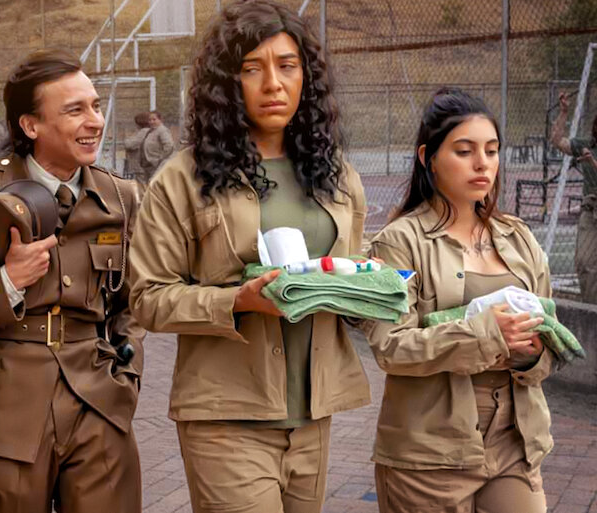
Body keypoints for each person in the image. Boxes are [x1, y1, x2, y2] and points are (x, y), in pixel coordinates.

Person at [129, 2, 370, 512]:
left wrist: (369, 291)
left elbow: (349, 268)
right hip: (225, 417)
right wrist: (236, 302)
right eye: (252, 68)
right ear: (227, 83)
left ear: (306, 77)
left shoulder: (337, 175)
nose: (273, 83)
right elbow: (148, 297)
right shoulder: (183, 178)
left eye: (287, 66)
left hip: (312, 416)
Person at [0, 48, 145, 513]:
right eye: (74, 110)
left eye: (95, 106)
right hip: (7, 405)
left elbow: (133, 304)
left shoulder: (120, 196)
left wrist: (128, 375)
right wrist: (7, 281)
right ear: (30, 125)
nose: (95, 121)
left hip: (99, 399)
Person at [363, 88, 553, 513]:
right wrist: (488, 335)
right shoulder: (398, 242)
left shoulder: (518, 237)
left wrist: (532, 354)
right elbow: (390, 346)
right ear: (428, 157)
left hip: (516, 438)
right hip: (429, 449)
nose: (482, 163)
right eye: (464, 151)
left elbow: (550, 338)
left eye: (492, 150)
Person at [550, 91, 597, 303]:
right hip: (591, 209)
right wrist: (563, 112)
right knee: (584, 262)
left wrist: (592, 163)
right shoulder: (587, 145)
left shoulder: (590, 155)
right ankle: (591, 310)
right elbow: (557, 140)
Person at [138, 110, 173, 179]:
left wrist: (160, 159)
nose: (151, 122)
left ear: (160, 120)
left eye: (154, 119)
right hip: (148, 165)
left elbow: (169, 146)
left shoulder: (162, 131)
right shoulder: (151, 131)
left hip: (157, 165)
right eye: (149, 120)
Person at [123, 112, 149, 182]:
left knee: (143, 185)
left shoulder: (144, 132)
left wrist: (126, 140)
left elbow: (130, 145)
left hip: (142, 166)